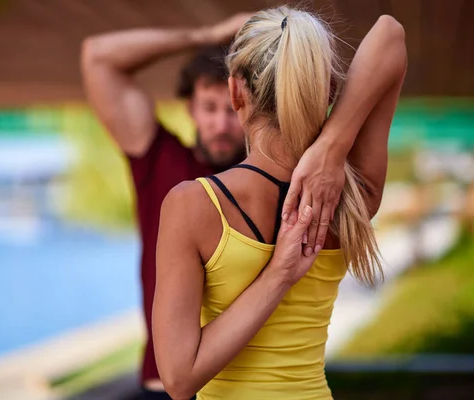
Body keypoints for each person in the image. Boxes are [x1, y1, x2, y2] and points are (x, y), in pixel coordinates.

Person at [80, 11, 358, 399]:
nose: (221, 124)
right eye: (209, 109)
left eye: (228, 111)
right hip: (167, 381)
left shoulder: (301, 177)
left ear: (241, 99)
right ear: (191, 108)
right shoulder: (160, 159)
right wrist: (204, 35)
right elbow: (97, 58)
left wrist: (330, 150)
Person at [153, 6, 406, 400]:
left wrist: (278, 276)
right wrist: (333, 146)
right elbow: (390, 35)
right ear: (330, 92)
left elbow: (179, 380)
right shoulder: (350, 195)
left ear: (235, 91)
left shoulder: (193, 206)